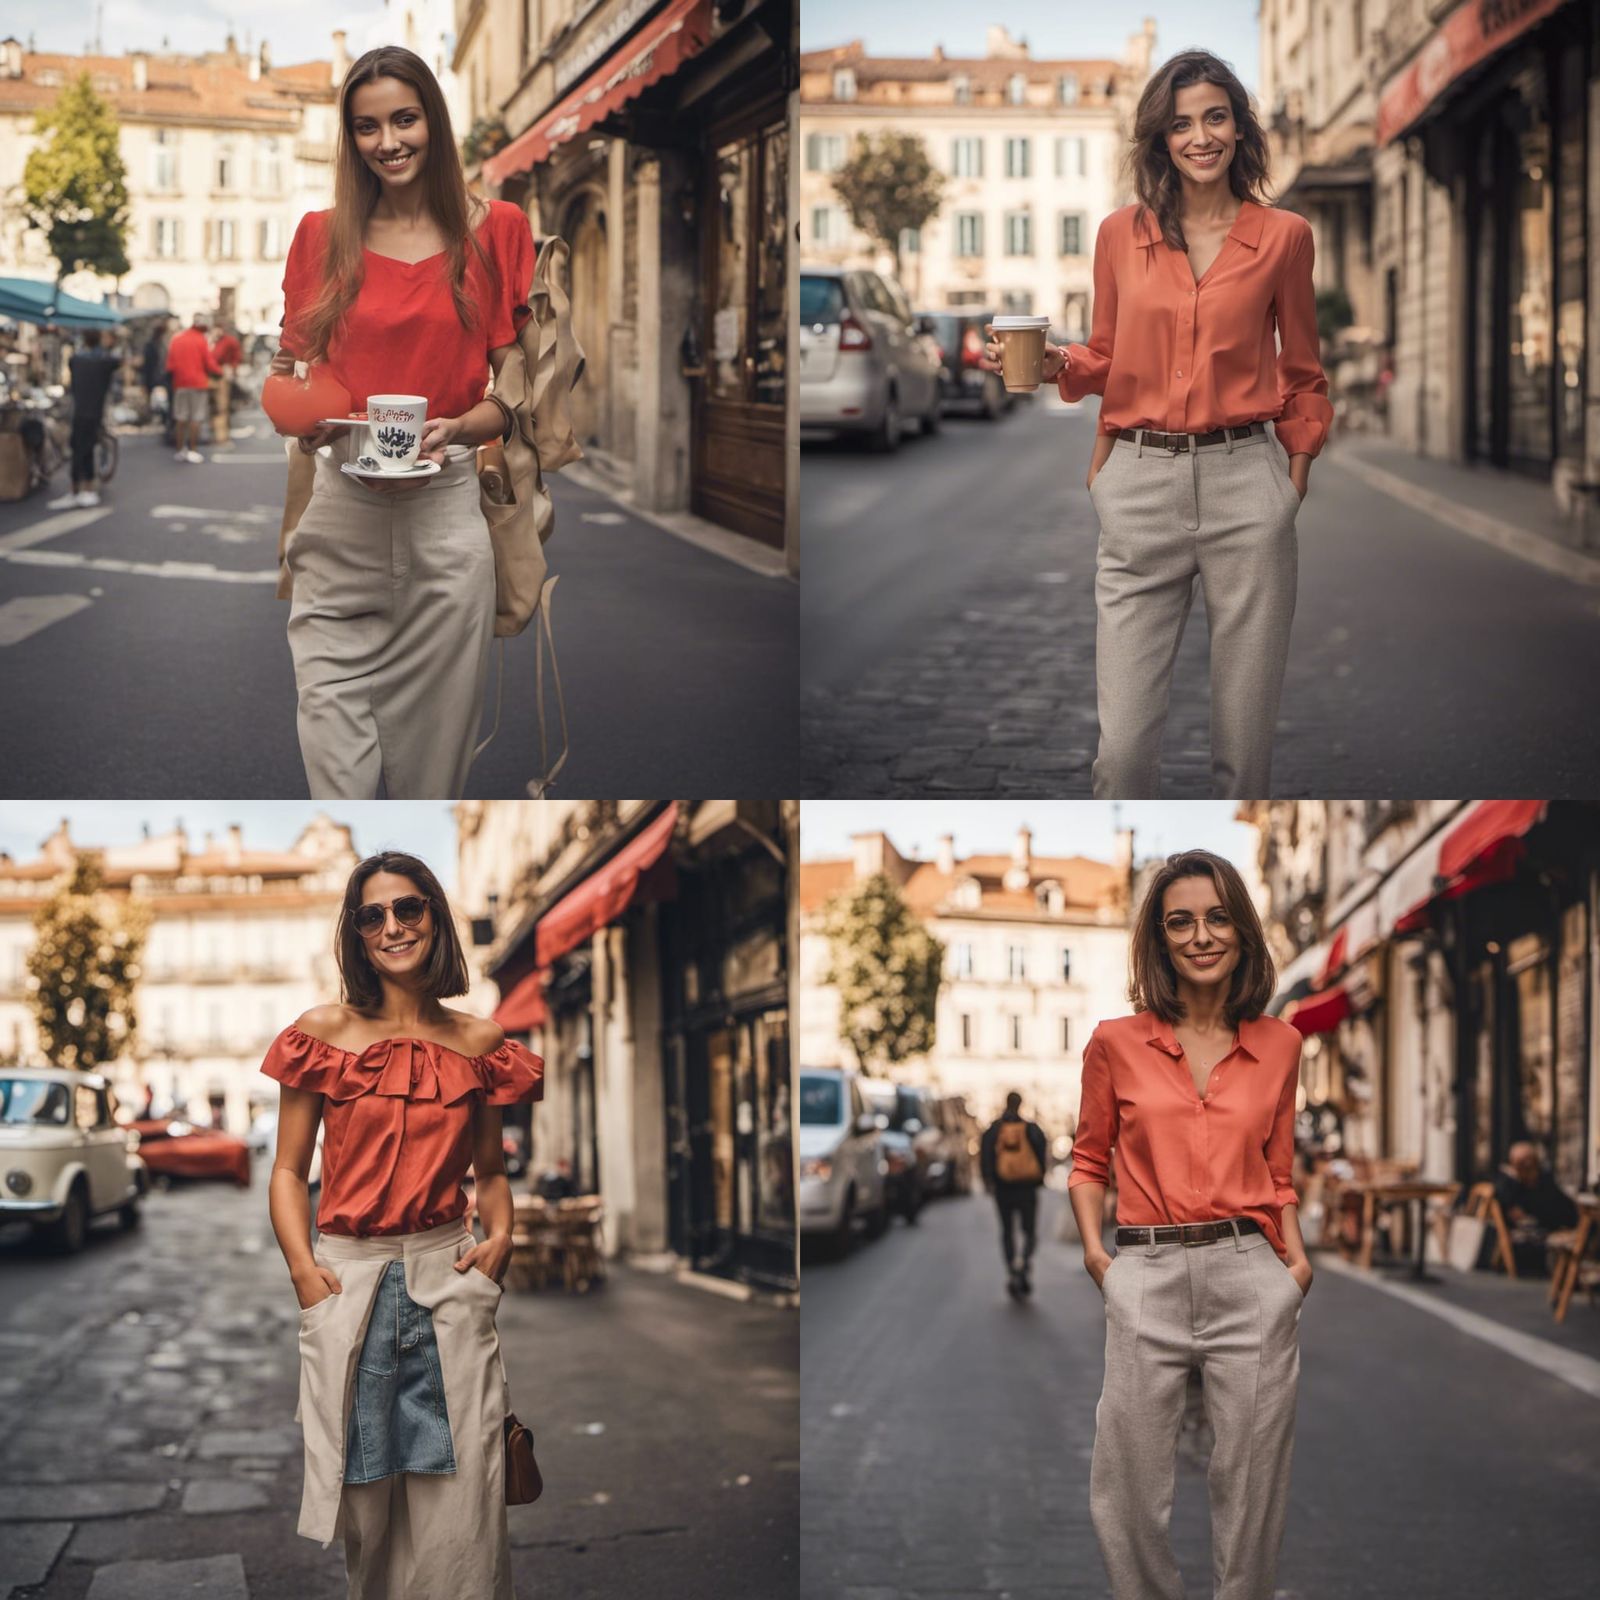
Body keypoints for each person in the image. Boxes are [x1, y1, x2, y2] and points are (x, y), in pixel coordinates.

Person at [982, 51, 1331, 801]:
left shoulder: (1285, 237)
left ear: (1239, 128)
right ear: (1160, 140)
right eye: (1180, 124)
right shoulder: (1118, 235)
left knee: (1245, 756)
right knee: (1125, 756)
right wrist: (1049, 366)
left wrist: (1289, 481)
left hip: (1247, 483)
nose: (1199, 136)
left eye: (1214, 117)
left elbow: (1302, 370)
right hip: (1138, 484)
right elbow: (1106, 355)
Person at [263, 849, 542, 1600]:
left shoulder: (481, 1043)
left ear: (435, 917)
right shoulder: (322, 1032)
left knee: (468, 1506)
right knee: (368, 1506)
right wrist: (304, 1273)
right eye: (372, 914)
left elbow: (492, 1173)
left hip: (449, 1276)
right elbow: (288, 1172)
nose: (392, 925)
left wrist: (500, 1243)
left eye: (408, 907)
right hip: (347, 1279)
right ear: (356, 934)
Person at [272, 43, 536, 801]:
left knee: (430, 778)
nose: (387, 141)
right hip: (340, 518)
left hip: (447, 527)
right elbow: (292, 378)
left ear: (434, 122)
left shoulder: (499, 230)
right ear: (349, 139)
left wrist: (458, 427)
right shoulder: (320, 237)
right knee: (333, 760)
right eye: (366, 126)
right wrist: (308, 419)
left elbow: (512, 399)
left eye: (405, 119)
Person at [1070, 848, 1310, 1600]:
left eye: (1216, 917)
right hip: (1147, 1273)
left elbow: (1279, 1173)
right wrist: (1097, 1259)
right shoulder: (1115, 1042)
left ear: (1241, 929)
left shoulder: (1280, 1044)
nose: (1201, 935)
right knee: (1128, 1487)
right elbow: (1088, 1161)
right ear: (1160, 938)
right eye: (1181, 921)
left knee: (1254, 1490)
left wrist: (1294, 1271)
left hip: (1252, 1273)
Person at [979, 1092, 1049, 1297]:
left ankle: (1012, 1268)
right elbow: (1041, 1153)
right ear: (1021, 1104)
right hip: (1027, 1188)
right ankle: (1025, 1262)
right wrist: (1039, 1178)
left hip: (1003, 1189)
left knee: (1007, 1230)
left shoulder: (994, 1130)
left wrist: (989, 1181)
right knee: (1029, 1230)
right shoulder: (1032, 1129)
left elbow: (985, 1155)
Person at [47, 327, 119, 508]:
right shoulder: (105, 361)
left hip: (79, 411)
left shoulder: (77, 360)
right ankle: (85, 489)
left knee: (78, 450)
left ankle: (76, 490)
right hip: (94, 412)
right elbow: (115, 361)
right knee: (85, 450)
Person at [1486, 1141, 1578, 1276]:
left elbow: (1563, 1205)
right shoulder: (1509, 1185)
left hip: (1563, 1221)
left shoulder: (1544, 1180)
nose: (1528, 1166)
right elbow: (1514, 1209)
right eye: (1522, 1163)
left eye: (1532, 1161)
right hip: (1541, 1230)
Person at [166, 313, 222, 462]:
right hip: (198, 383)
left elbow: (170, 365)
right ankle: (193, 449)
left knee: (180, 417)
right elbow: (209, 363)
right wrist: (220, 372)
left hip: (180, 384)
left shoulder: (176, 339)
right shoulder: (200, 340)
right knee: (195, 418)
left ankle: (180, 450)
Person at [209, 321, 243, 444]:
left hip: (222, 375)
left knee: (222, 407)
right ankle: (215, 433)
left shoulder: (229, 341)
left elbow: (237, 357)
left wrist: (232, 368)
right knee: (212, 407)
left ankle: (221, 436)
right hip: (210, 376)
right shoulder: (210, 341)